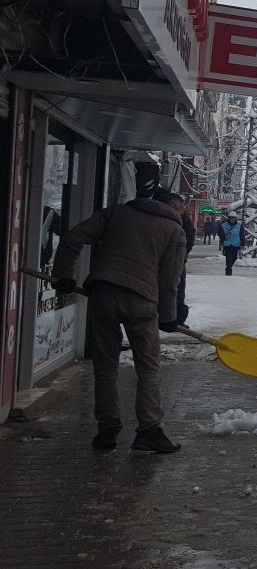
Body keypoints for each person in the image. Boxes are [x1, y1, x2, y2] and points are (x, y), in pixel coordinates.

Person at [51, 192, 186, 453]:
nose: (181, 216)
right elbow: (170, 280)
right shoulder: (174, 231)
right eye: (181, 211)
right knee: (148, 368)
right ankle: (148, 430)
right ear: (172, 207)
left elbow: (72, 238)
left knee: (105, 367)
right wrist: (169, 318)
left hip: (103, 295)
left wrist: (63, 276)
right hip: (141, 301)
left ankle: (107, 430)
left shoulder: (116, 212)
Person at [154, 191, 194, 327]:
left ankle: (175, 318)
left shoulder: (183, 221)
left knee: (177, 287)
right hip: (156, 258)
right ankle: (165, 318)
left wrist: (182, 254)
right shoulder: (156, 220)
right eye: (182, 208)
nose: (183, 211)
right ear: (171, 206)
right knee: (169, 285)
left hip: (178, 256)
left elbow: (190, 235)